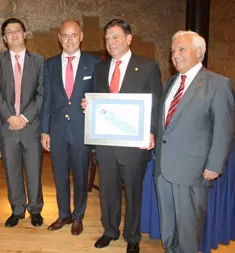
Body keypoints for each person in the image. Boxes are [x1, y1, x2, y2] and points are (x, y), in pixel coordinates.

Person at [82, 19, 163, 252]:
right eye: (107, 39)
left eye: (116, 37)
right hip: (107, 145)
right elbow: (100, 103)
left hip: (134, 145)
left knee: (134, 193)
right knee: (108, 191)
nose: (111, 43)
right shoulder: (100, 68)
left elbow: (156, 104)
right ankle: (109, 231)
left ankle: (133, 237)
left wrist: (151, 132)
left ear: (129, 38)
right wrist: (90, 104)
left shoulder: (148, 67)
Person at [154, 30, 234, 253]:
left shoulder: (218, 84)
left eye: (181, 49)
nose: (175, 55)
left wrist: (214, 165)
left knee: (188, 232)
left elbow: (224, 128)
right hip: (163, 169)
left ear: (199, 52)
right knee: (168, 227)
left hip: (193, 171)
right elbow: (164, 124)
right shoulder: (171, 82)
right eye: (172, 51)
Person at [41, 19, 101, 236]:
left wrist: (93, 104)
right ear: (59, 38)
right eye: (65, 36)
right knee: (59, 175)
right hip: (56, 131)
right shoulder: (49, 65)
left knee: (80, 175)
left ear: (81, 36)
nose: (69, 40)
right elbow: (46, 99)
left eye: (73, 35)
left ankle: (78, 216)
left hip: (81, 130)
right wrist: (44, 130)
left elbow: (101, 96)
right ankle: (64, 214)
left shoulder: (94, 63)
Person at [0, 18, 44, 228]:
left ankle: (35, 209)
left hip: (31, 127)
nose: (13, 35)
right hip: (6, 126)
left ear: (25, 33)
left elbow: (41, 94)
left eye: (17, 30)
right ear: (4, 38)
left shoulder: (39, 61)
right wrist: (10, 117)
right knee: (12, 170)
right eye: (8, 32)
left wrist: (24, 117)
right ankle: (17, 209)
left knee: (34, 170)